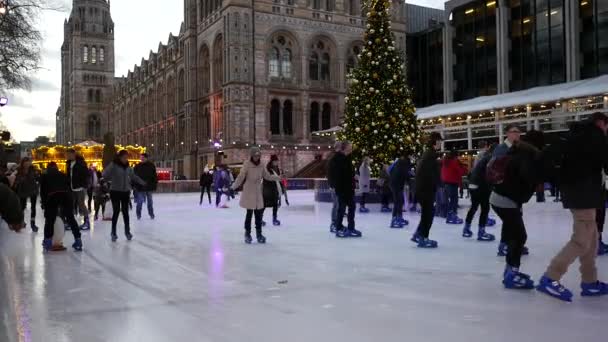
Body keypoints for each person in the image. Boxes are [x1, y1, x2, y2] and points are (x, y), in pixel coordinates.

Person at [537, 112, 608, 301]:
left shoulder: (574, 135)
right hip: (583, 194)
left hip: (579, 192)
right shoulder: (595, 136)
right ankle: (550, 277)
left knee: (592, 238)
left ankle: (590, 281)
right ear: (601, 123)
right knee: (581, 240)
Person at [490, 129, 544, 290]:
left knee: (514, 233)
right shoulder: (527, 155)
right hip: (506, 200)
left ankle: (510, 270)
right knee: (520, 236)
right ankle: (511, 273)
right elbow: (526, 177)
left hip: (502, 198)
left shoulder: (519, 151)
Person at [231, 147, 281, 244]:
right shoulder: (247, 164)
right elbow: (240, 177)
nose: (257, 157)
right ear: (252, 156)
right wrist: (233, 187)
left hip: (258, 192)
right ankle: (247, 234)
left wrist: (278, 178)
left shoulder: (262, 165)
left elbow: (267, 176)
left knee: (258, 215)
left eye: (258, 155)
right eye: (255, 155)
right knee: (249, 214)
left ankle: (259, 234)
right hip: (249, 192)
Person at [492, 125, 528, 256]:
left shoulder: (517, 148)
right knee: (511, 219)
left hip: (514, 191)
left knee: (511, 219)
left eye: (518, 132)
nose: (517, 134)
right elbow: (496, 169)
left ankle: (511, 244)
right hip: (504, 191)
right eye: (514, 132)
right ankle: (510, 245)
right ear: (507, 133)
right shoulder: (502, 149)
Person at [103, 150, 146, 242]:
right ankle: (113, 232)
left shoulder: (128, 167)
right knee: (116, 211)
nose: (125, 159)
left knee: (126, 212)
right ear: (120, 157)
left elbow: (133, 176)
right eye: (124, 157)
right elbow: (105, 174)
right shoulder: (113, 165)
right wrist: (109, 178)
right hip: (115, 191)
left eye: (127, 157)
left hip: (125, 192)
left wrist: (142, 182)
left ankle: (127, 232)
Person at [39, 162, 83, 251]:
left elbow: (43, 191)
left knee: (50, 219)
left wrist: (44, 204)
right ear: (56, 167)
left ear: (48, 168)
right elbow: (69, 188)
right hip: (66, 196)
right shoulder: (63, 174)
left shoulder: (45, 176)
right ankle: (78, 240)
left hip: (52, 196)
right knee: (70, 218)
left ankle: (47, 241)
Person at [412, 132, 442, 248]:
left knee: (427, 214)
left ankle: (418, 234)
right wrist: (437, 184)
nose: (440, 143)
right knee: (428, 215)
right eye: (439, 141)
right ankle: (423, 238)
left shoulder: (428, 154)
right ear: (435, 142)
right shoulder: (430, 155)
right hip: (426, 190)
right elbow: (429, 174)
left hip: (423, 190)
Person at [328, 141, 362, 238]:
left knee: (352, 208)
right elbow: (337, 175)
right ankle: (338, 228)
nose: (352, 147)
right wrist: (335, 187)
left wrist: (353, 176)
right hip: (342, 189)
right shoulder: (337, 159)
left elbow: (348, 172)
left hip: (349, 189)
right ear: (345, 147)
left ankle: (351, 228)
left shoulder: (348, 158)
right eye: (350, 146)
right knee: (341, 209)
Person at [462, 143, 496, 242]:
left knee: (474, 207)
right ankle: (481, 232)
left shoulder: (484, 157)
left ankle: (466, 229)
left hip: (472, 184)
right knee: (485, 208)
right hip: (480, 185)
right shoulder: (491, 158)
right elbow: (489, 174)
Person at [13, 157, 40, 232]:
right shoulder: (19, 170)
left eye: (28, 162)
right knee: (22, 207)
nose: (27, 164)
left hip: (33, 190)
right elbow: (16, 179)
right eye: (25, 162)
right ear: (23, 163)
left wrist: (37, 177)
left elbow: (37, 178)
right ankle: (21, 222)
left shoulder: (33, 169)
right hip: (23, 190)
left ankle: (33, 223)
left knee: (33, 208)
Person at [66, 148, 90, 230]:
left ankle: (86, 222)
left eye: (69, 154)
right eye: (67, 155)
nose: (67, 156)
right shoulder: (68, 163)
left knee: (81, 204)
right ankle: (70, 222)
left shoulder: (81, 163)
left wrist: (83, 184)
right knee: (70, 205)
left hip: (80, 187)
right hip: (71, 187)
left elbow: (86, 174)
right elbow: (69, 175)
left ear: (73, 154)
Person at [441, 150, 466, 224]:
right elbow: (461, 171)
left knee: (450, 201)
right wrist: (463, 167)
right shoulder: (454, 162)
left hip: (446, 183)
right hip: (452, 183)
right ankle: (453, 217)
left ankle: (449, 217)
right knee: (454, 201)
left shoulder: (445, 162)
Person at [389, 153, 411, 228]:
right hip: (397, 185)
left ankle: (397, 218)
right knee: (399, 201)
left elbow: (390, 171)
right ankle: (397, 219)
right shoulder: (404, 165)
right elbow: (407, 176)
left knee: (397, 201)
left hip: (393, 184)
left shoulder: (396, 163)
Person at [134, 153, 158, 220]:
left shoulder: (151, 166)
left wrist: (154, 185)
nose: (141, 159)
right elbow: (134, 177)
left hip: (149, 187)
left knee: (150, 202)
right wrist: (135, 186)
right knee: (140, 202)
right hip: (140, 188)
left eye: (143, 157)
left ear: (146, 158)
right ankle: (138, 214)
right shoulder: (137, 166)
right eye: (141, 157)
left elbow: (154, 177)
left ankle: (151, 214)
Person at [263, 155, 284, 226]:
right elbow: (268, 177)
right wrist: (278, 177)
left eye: (277, 161)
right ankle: (259, 219)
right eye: (275, 161)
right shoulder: (267, 168)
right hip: (267, 189)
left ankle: (274, 219)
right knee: (264, 205)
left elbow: (278, 179)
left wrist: (281, 185)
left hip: (275, 189)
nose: (277, 162)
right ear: (272, 161)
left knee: (275, 204)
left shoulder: (277, 168)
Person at [327, 142, 342, 233]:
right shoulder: (333, 159)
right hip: (335, 186)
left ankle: (337, 222)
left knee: (339, 205)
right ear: (336, 148)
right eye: (340, 148)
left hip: (340, 186)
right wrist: (332, 186)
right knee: (336, 205)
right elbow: (330, 174)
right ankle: (333, 223)